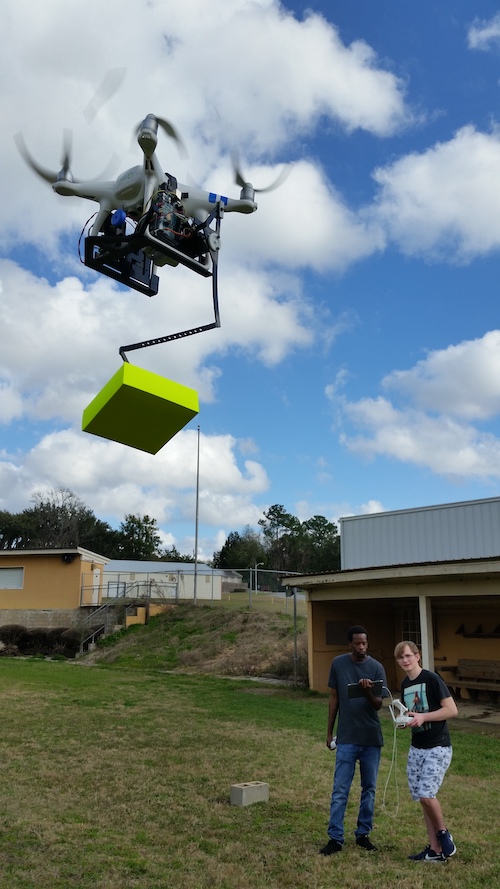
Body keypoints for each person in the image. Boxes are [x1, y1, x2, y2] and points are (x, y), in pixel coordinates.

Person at [319, 625, 387, 855]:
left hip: (370, 738)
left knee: (369, 788)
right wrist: (329, 732)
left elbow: (378, 704)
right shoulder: (339, 664)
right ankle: (335, 838)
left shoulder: (377, 668)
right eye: (357, 643)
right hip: (347, 737)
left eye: (364, 643)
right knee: (340, 789)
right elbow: (334, 698)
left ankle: (363, 834)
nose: (361, 647)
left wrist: (367, 691)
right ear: (350, 644)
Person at [394, 640, 458, 863]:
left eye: (409, 656)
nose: (405, 660)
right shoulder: (404, 685)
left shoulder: (431, 679)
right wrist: (406, 720)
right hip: (417, 747)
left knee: (426, 794)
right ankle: (434, 850)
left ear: (418, 656)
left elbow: (451, 710)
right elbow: (414, 714)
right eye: (401, 657)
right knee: (422, 798)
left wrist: (424, 717)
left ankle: (443, 834)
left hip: (437, 745)